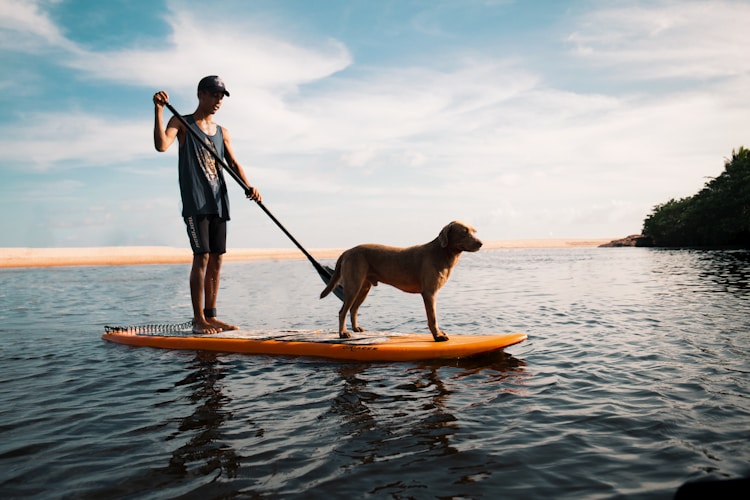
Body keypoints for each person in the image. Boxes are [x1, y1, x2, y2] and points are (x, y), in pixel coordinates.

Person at [152, 75, 261, 334]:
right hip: (196, 202)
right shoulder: (182, 122)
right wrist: (158, 110)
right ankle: (198, 319)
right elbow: (161, 145)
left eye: (222, 97)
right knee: (201, 257)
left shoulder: (223, 132)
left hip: (219, 200)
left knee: (217, 259)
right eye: (214, 95)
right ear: (201, 94)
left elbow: (233, 163)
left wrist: (249, 186)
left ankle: (212, 316)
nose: (218, 101)